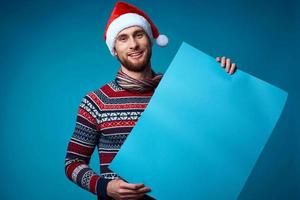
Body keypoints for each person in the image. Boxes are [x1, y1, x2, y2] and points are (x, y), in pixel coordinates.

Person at [64, 1, 237, 200]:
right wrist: (105, 187)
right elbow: (73, 162)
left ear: (150, 39)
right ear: (114, 49)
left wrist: (224, 78)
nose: (133, 44)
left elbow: (215, 133)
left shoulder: (181, 89)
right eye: (123, 38)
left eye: (139, 35)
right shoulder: (96, 101)